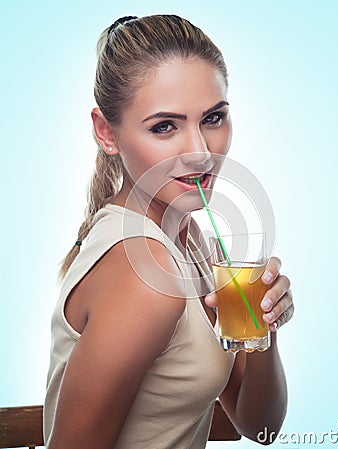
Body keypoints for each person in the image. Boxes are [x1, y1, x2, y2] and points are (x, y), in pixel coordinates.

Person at [44, 14, 294, 449]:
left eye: (213, 118)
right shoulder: (145, 274)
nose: (200, 152)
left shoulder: (192, 239)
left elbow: (261, 428)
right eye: (165, 127)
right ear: (107, 132)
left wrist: (263, 331)